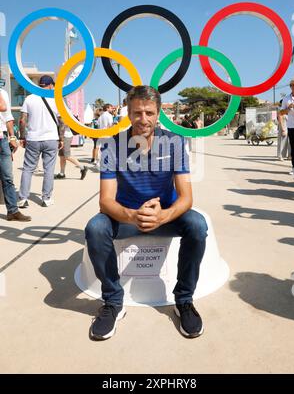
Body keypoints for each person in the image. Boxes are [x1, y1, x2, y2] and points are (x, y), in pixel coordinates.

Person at [85, 85, 208, 341]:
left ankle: (183, 300)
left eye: (149, 113)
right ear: (128, 114)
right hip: (127, 217)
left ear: (158, 113)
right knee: (95, 228)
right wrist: (132, 216)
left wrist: (163, 215)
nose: (144, 119)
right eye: (137, 113)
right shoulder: (112, 146)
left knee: (197, 224)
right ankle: (113, 302)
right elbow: (105, 201)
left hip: (165, 217)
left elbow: (186, 197)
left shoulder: (174, 142)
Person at [18, 75, 64, 208]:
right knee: (49, 170)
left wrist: (22, 137)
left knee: (28, 169)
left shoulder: (29, 98)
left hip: (33, 138)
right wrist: (60, 138)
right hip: (51, 139)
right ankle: (46, 199)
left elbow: (22, 120)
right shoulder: (56, 100)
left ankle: (23, 198)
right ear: (50, 85)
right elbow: (62, 121)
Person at [0, 87, 31, 221]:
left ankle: (12, 211)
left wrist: (12, 137)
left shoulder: (3, 92)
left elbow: (7, 116)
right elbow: (2, 106)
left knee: (7, 177)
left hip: (2, 139)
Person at [280, 78, 294, 175]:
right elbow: (281, 112)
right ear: (290, 87)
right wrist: (288, 108)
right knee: (293, 148)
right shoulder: (286, 99)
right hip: (291, 125)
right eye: (292, 85)